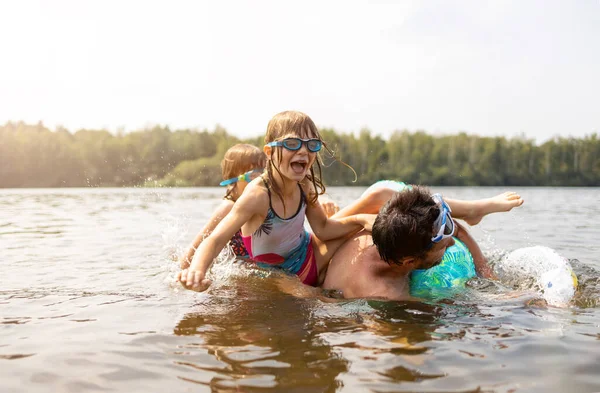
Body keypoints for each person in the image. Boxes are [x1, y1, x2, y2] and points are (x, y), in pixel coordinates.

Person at [178, 111, 376, 291]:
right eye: (292, 143)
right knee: (321, 305)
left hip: (309, 257)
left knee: (371, 214)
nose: (303, 151)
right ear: (270, 152)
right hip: (280, 277)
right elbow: (215, 240)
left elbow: (323, 229)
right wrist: (196, 270)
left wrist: (360, 220)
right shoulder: (257, 196)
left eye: (312, 144)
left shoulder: (304, 185)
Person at [322, 184, 524, 301]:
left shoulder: (387, 225)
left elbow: (455, 229)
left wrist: (488, 275)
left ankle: (473, 210)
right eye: (443, 247)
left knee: (383, 194)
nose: (452, 244)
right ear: (409, 262)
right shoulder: (385, 294)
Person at [178, 143, 340, 270]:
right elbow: (198, 246)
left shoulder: (264, 203)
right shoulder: (228, 207)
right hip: (242, 268)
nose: (260, 180)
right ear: (232, 180)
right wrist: (191, 272)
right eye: (254, 175)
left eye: (264, 173)